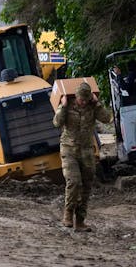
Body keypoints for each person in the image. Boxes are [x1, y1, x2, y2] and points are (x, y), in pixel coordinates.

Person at [53, 81, 112, 231]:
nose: (83, 103)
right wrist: (63, 106)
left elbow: (106, 119)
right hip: (69, 149)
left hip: (86, 150)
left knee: (86, 185)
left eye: (86, 100)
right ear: (76, 97)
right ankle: (68, 213)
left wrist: (97, 103)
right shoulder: (68, 105)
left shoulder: (92, 107)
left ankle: (80, 221)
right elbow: (56, 122)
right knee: (74, 181)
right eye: (81, 100)